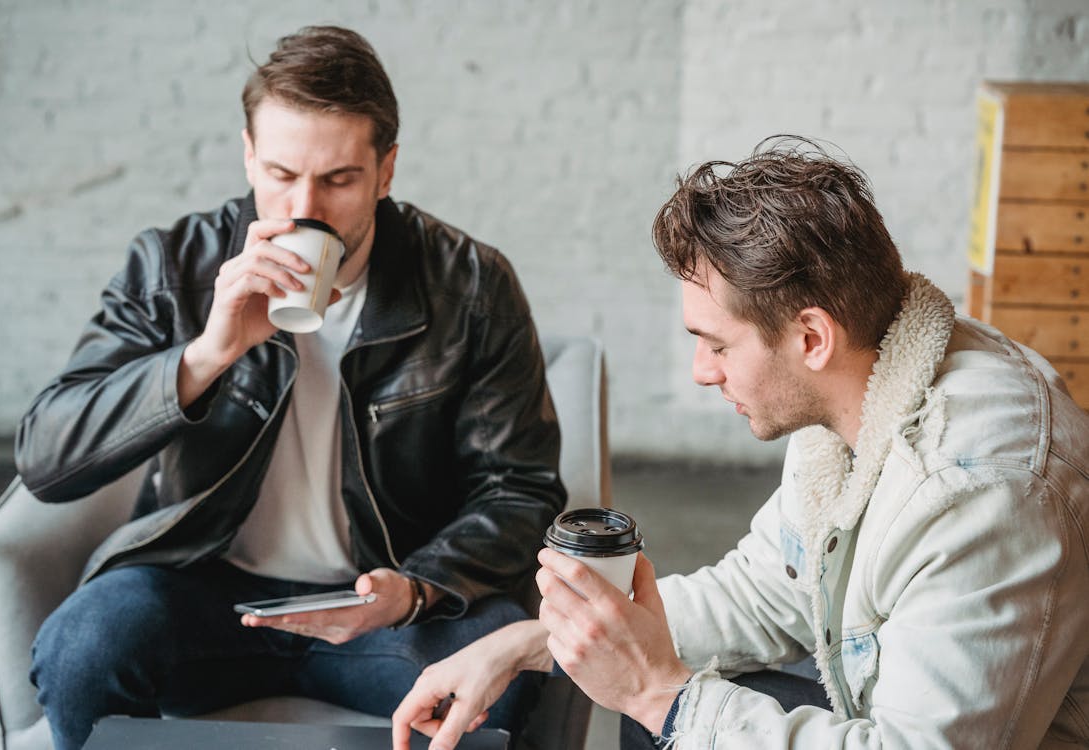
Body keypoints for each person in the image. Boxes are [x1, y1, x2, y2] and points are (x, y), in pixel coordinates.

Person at [391, 136, 1089, 749]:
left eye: (717, 345)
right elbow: (764, 592)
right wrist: (528, 644)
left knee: (666, 711)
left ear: (810, 338)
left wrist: (654, 692)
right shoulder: (859, 394)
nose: (701, 372)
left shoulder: (978, 491)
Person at [16, 26, 565, 750]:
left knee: (502, 665)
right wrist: (207, 355)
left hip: (384, 609)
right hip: (203, 590)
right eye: (278, 173)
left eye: (338, 179)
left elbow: (520, 488)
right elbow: (48, 459)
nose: (303, 208)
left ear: (386, 170)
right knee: (83, 646)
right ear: (247, 154)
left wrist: (415, 588)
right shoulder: (174, 265)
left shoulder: (469, 284)